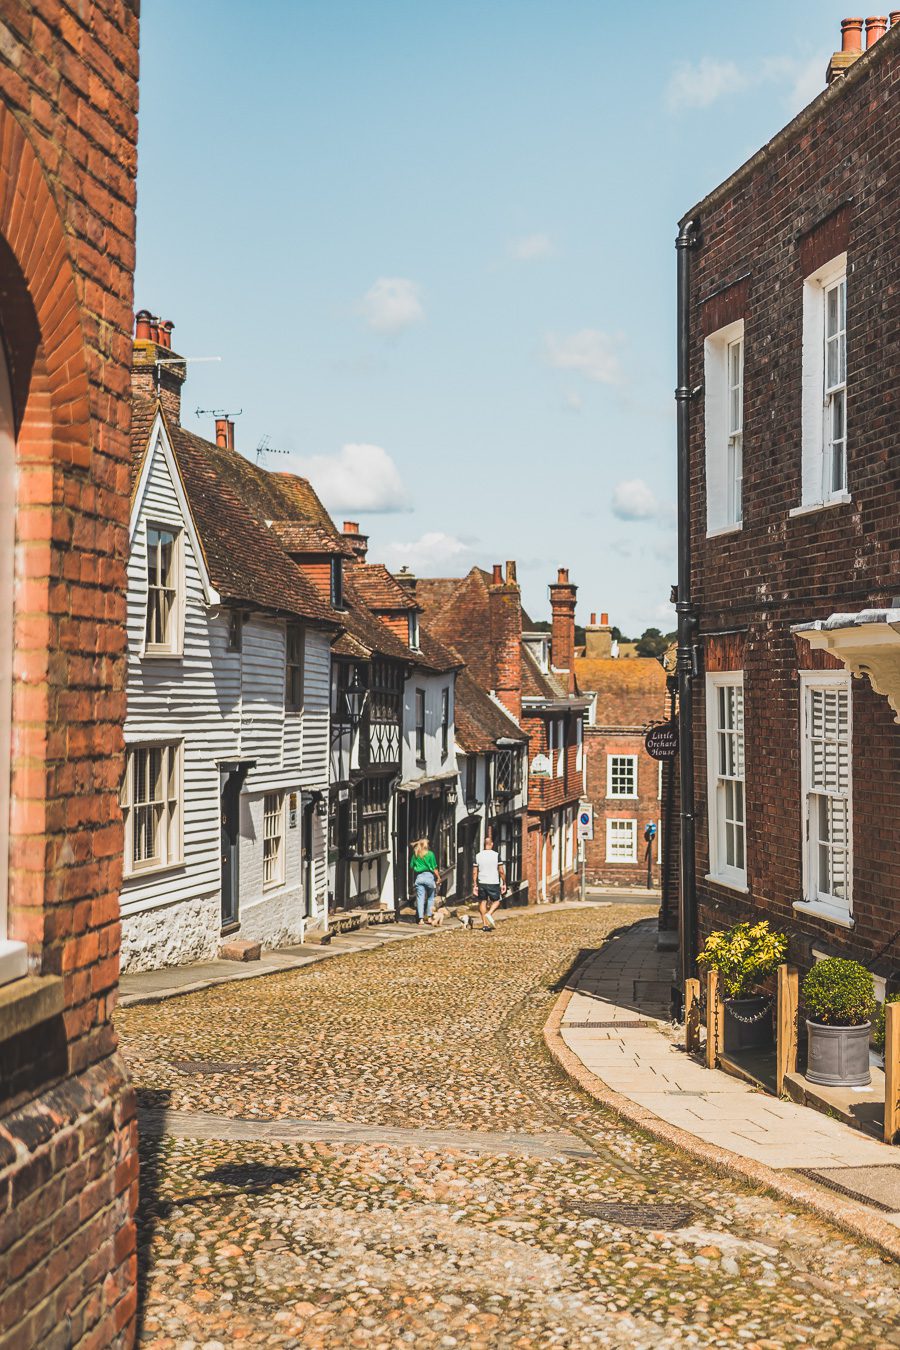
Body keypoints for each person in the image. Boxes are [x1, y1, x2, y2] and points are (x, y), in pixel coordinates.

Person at [473, 833, 506, 932]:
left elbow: (475, 871)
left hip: (482, 882)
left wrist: (475, 884)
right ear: (491, 844)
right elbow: (501, 871)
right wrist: (504, 882)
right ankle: (489, 913)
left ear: (484, 844)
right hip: (493, 882)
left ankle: (485, 925)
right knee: (496, 901)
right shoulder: (496, 855)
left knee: (482, 902)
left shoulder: (478, 856)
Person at [410, 838, 440, 925]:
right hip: (429, 877)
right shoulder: (430, 854)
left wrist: (418, 866)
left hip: (419, 877)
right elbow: (434, 867)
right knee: (430, 898)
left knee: (420, 898)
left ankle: (421, 919)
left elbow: (411, 866)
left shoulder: (415, 855)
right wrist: (438, 877)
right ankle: (430, 917)